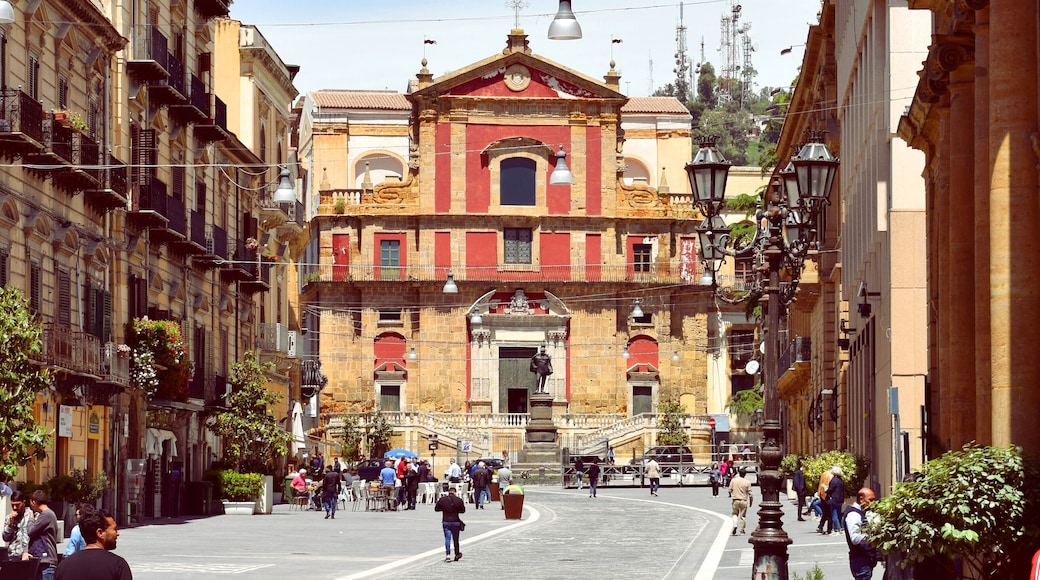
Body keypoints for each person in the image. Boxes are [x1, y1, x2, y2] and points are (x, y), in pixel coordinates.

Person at [54, 509, 132, 580]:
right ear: (100, 533)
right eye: (114, 529)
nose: (117, 533)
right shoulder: (118, 565)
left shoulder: (63, 566)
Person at [844, 487, 881, 580]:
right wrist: (872, 539)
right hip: (860, 560)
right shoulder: (854, 514)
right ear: (861, 499)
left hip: (863, 560)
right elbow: (855, 538)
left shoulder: (860, 512)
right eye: (871, 500)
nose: (873, 502)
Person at [26, 489, 59, 580]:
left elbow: (30, 531)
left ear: (34, 501)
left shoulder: (47, 514)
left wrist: (31, 518)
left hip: (47, 562)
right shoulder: (44, 514)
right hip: (40, 561)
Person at [434, 486, 466, 563]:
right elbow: (463, 511)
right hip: (455, 521)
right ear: (455, 492)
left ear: (448, 492)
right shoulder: (459, 500)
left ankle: (448, 555)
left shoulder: (442, 500)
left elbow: (436, 509)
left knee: (447, 539)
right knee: (456, 539)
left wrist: (444, 509)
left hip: (446, 521)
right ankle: (457, 553)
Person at [3, 491, 30, 561]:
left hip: (27, 555)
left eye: (17, 505)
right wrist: (10, 524)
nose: (14, 507)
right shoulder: (9, 518)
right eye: (12, 505)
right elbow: (5, 538)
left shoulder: (31, 516)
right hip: (13, 555)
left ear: (23, 502)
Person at [729, 467, 753, 535]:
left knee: (734, 514)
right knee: (743, 516)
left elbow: (729, 490)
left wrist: (731, 493)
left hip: (735, 499)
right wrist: (751, 501)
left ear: (739, 473)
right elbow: (750, 494)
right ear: (745, 474)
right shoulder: (747, 482)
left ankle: (735, 524)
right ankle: (742, 530)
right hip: (743, 500)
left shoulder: (734, 480)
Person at [825, 464, 846, 534]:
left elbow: (830, 489)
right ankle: (842, 528)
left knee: (834, 514)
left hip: (834, 499)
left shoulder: (834, 480)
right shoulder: (840, 480)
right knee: (839, 514)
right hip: (840, 499)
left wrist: (826, 489)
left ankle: (836, 529)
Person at [817, 465, 836, 534]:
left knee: (825, 512)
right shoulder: (832, 476)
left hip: (822, 495)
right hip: (828, 495)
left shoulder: (824, 474)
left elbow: (820, 484)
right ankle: (829, 529)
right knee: (830, 513)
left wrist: (819, 493)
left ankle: (820, 525)